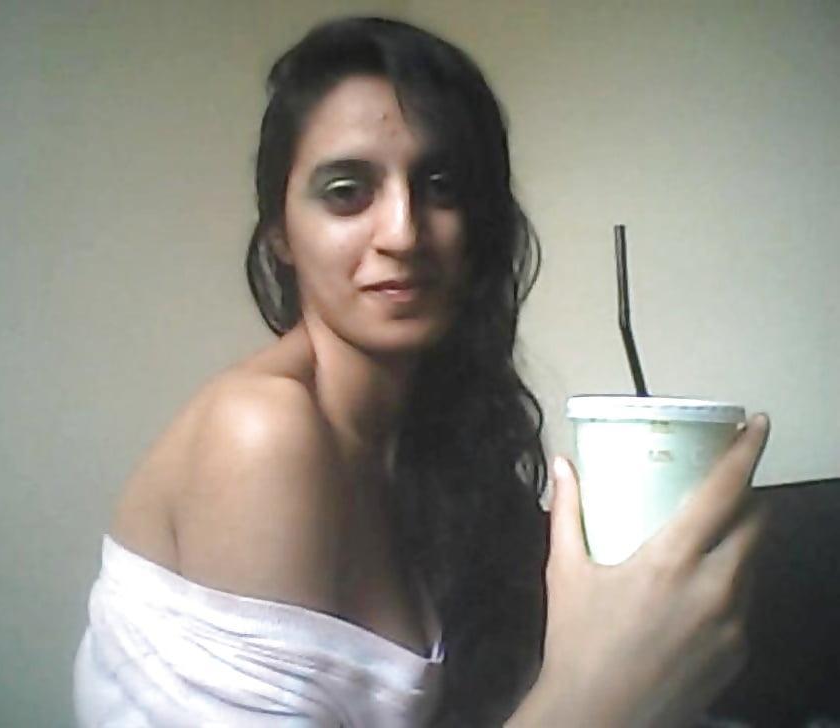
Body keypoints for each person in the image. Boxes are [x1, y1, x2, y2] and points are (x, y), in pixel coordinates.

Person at [73, 16, 769, 728]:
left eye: (440, 186)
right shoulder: (261, 433)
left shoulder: (430, 439)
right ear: (280, 231)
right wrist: (604, 693)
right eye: (347, 191)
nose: (403, 233)